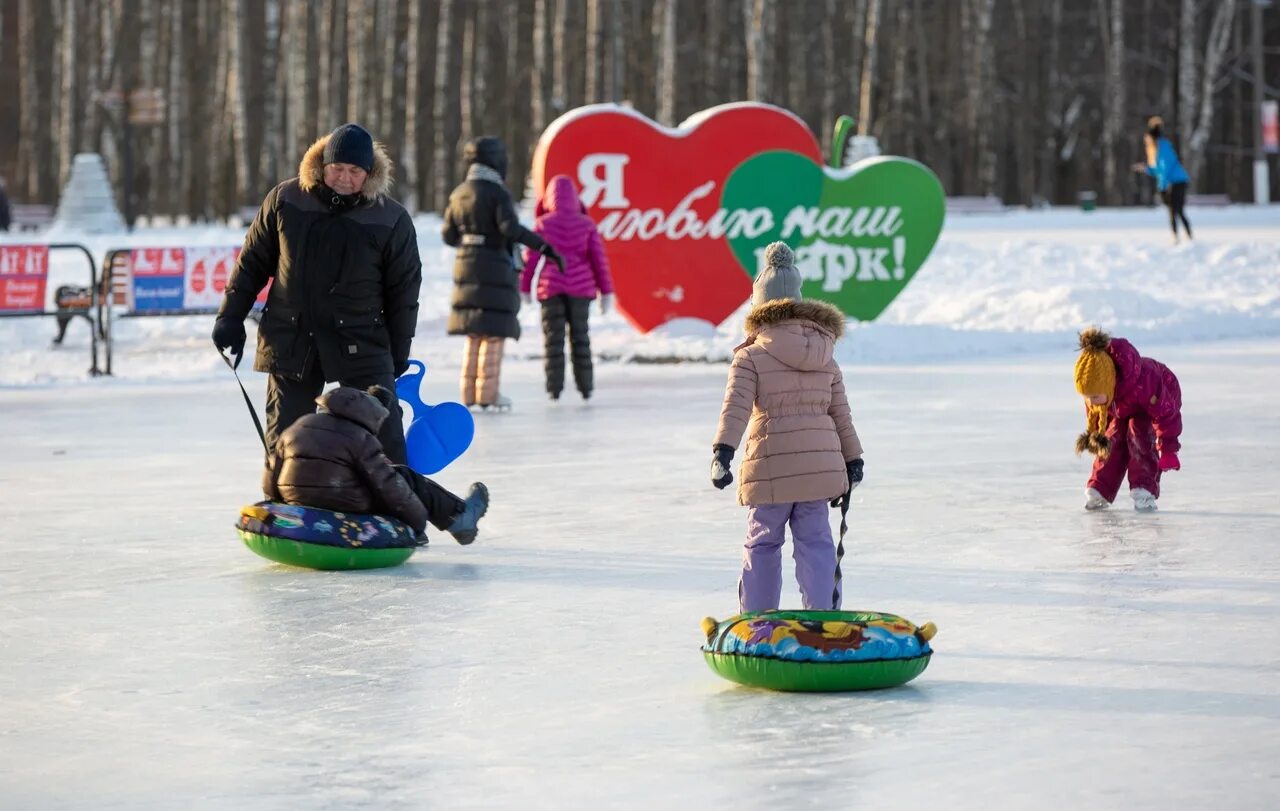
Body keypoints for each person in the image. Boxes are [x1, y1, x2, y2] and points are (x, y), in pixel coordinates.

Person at [212, 123, 421, 464]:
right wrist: (230, 317)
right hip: (292, 336)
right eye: (336, 168)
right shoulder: (286, 199)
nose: (343, 177)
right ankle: (286, 510)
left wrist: (399, 350)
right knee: (286, 442)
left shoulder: (389, 218)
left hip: (360, 338)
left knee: (385, 440)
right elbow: (251, 264)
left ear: (368, 174)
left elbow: (403, 292)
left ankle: (393, 509)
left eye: (354, 171)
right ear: (322, 164)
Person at [710, 242, 864, 612]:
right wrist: (853, 459)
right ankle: (822, 618)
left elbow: (736, 409)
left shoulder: (750, 355)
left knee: (763, 542)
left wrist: (722, 452)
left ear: (759, 306)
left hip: (770, 468)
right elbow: (841, 413)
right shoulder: (825, 353)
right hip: (819, 468)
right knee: (816, 542)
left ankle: (758, 621)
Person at [263, 385, 490, 544]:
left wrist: (276, 507)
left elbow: (271, 474)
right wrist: (416, 526)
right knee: (403, 476)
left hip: (295, 504)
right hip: (345, 507)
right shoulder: (360, 438)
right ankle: (459, 518)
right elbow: (390, 486)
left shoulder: (299, 425)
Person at [443, 136, 564, 410]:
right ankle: (488, 395)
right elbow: (510, 228)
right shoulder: (497, 192)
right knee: (493, 332)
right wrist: (542, 246)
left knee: (473, 334)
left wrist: (470, 240)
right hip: (494, 267)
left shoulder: (459, 191)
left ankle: (468, 394)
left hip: (466, 266)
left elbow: (449, 235)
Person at [519, 174, 615, 401]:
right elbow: (598, 260)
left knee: (553, 340)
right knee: (581, 338)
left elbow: (530, 258)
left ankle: (554, 389)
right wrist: (606, 291)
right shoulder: (587, 224)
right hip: (581, 289)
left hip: (551, 288)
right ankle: (586, 387)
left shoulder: (543, 223)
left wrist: (525, 286)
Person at [1074, 327, 1182, 512]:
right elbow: (1099, 418)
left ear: (1109, 385)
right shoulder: (1097, 394)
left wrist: (1168, 448)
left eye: (1095, 397)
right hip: (1123, 405)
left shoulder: (1146, 382)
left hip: (1158, 399)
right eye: (1087, 398)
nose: (1092, 403)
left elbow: (1166, 413)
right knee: (1114, 436)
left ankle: (1144, 489)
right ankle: (1100, 487)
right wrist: (1096, 436)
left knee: (1137, 432)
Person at [1131, 116, 1192, 243]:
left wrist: (1162, 187)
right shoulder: (1158, 149)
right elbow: (1157, 170)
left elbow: (1165, 169)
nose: (1146, 143)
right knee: (1174, 210)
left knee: (1176, 210)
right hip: (1173, 182)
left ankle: (1185, 237)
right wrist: (1145, 169)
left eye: (1147, 140)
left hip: (1178, 181)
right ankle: (1179, 237)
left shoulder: (1162, 148)